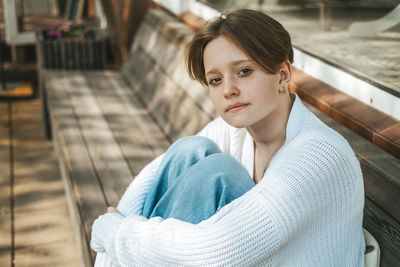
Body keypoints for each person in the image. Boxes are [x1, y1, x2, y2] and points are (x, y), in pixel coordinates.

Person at [91, 9, 365, 266]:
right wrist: (111, 241)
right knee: (191, 148)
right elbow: (153, 175)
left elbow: (218, 248)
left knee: (219, 173)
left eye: (244, 71)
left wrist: (116, 235)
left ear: (282, 75)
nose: (228, 90)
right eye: (215, 80)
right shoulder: (236, 130)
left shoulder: (319, 155)